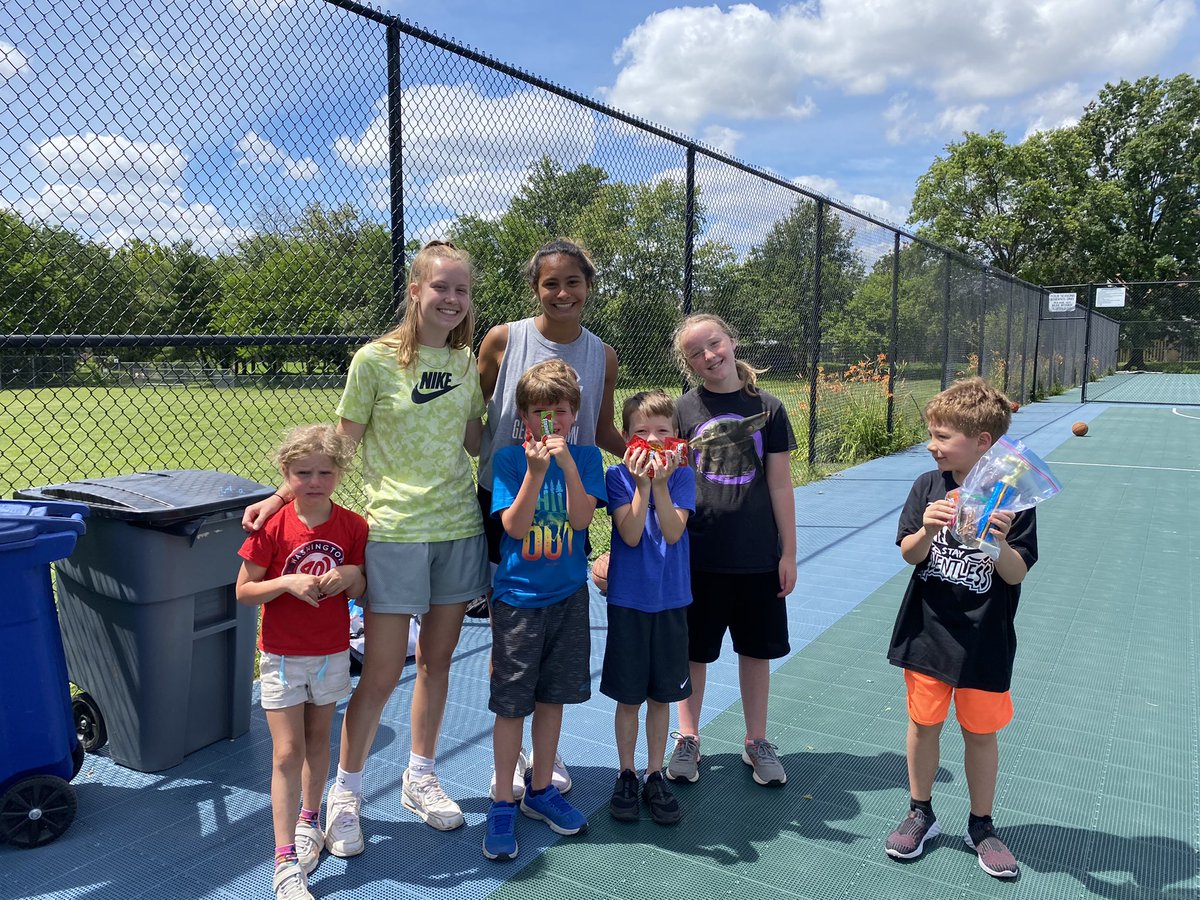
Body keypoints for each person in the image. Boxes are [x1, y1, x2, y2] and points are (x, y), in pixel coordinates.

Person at [241, 241, 490, 853]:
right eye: (441, 287)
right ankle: (345, 795)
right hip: (394, 533)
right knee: (379, 673)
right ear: (415, 291)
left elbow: (478, 443)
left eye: (462, 289)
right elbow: (340, 446)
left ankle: (420, 777)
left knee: (436, 662)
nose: (452, 299)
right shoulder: (373, 361)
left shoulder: (465, 365)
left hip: (458, 527)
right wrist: (280, 497)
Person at [477, 237, 625, 796]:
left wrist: (651, 453)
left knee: (557, 625)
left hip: (567, 500)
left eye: (573, 282)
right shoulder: (503, 339)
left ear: (588, 286)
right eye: (551, 283)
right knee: (510, 628)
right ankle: (512, 749)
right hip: (507, 498)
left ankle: (544, 754)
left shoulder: (602, 354)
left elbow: (601, 429)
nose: (563, 293)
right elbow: (477, 414)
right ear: (535, 288)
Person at [884, 377, 1036, 879]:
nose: (932, 444)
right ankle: (920, 811)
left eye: (943, 436)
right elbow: (909, 555)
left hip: (984, 640)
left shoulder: (1013, 496)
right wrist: (927, 529)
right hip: (927, 632)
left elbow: (1016, 573)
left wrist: (1000, 543)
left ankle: (981, 825)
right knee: (924, 724)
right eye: (932, 433)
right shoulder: (928, 486)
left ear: (982, 442)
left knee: (981, 733)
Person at [236, 425, 368, 900]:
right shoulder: (272, 526)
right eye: (303, 472)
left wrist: (350, 574)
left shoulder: (353, 526)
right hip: (282, 655)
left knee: (317, 740)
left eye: (325, 473)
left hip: (330, 653)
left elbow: (360, 588)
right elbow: (244, 591)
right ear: (285, 472)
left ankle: (311, 820)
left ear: (340, 473)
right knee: (286, 753)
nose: (314, 482)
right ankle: (285, 859)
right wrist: (286, 583)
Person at [666, 313, 797, 788]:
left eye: (714, 343)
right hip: (697, 556)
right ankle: (688, 738)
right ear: (688, 364)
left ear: (732, 341)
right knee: (693, 652)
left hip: (757, 555)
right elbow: (671, 481)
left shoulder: (768, 407)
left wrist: (788, 553)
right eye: (696, 352)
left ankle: (756, 740)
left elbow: (780, 485)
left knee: (756, 651)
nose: (709, 355)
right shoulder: (681, 411)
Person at [483, 359, 607, 861]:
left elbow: (580, 519)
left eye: (560, 411)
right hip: (518, 601)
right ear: (524, 417)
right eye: (539, 412)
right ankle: (502, 800)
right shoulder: (510, 461)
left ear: (574, 414)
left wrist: (567, 464)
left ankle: (539, 789)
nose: (550, 421)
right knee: (512, 704)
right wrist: (536, 473)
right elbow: (514, 527)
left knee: (553, 697)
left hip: (567, 598)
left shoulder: (588, 458)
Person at [601, 390, 693, 826]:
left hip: (671, 601)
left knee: (661, 696)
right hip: (628, 602)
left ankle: (655, 773)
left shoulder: (682, 476)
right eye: (641, 432)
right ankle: (626, 773)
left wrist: (660, 483)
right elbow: (632, 533)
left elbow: (673, 533)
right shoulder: (617, 477)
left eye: (662, 431)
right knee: (629, 697)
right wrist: (642, 484)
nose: (653, 440)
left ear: (676, 435)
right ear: (626, 438)